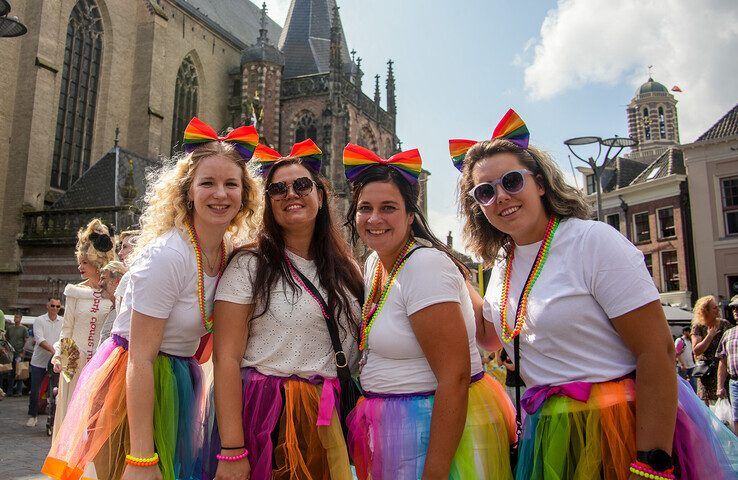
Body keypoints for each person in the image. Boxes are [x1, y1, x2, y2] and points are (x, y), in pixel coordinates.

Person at [455, 108, 738, 479]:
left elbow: (656, 349)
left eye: (512, 181)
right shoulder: (505, 263)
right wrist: (450, 272)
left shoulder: (591, 241)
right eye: (486, 191)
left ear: (540, 183)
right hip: (547, 435)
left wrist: (652, 459)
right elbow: (492, 337)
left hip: (614, 427)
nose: (502, 197)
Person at [42, 117, 261, 480]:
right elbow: (140, 358)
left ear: (245, 195)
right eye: (207, 182)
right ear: (187, 192)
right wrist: (141, 457)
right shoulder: (168, 256)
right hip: (132, 388)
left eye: (231, 184)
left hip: (178, 377)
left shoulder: (226, 250)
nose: (220, 194)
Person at [343, 144, 516, 479]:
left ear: (411, 215)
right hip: (397, 426)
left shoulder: (423, 265)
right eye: (365, 208)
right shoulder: (374, 263)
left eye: (388, 208)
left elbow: (455, 376)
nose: (374, 219)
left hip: (429, 427)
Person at [204, 140, 363, 480]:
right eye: (278, 189)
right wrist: (232, 449)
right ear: (268, 203)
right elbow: (226, 359)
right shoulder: (249, 264)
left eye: (302, 185)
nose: (291, 193)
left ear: (320, 197)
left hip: (329, 415)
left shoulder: (347, 269)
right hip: (268, 415)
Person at [51, 218, 115, 435]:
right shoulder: (74, 292)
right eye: (79, 262)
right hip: (73, 363)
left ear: (97, 263)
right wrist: (60, 355)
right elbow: (66, 328)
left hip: (101, 363)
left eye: (84, 262)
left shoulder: (115, 294)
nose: (79, 267)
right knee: (71, 417)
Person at [27, 298, 63, 427]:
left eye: (57, 306)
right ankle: (33, 415)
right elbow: (39, 339)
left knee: (56, 390)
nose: (54, 308)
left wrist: (58, 354)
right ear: (47, 306)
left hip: (55, 362)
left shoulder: (63, 322)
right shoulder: (39, 320)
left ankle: (54, 417)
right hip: (39, 362)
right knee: (35, 390)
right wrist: (54, 351)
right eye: (52, 305)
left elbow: (64, 339)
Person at [691, 295, 731, 405]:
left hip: (723, 371)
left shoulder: (724, 324)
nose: (717, 309)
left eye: (717, 307)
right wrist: (710, 336)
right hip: (706, 373)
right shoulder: (698, 327)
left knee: (726, 406)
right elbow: (696, 350)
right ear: (705, 310)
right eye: (714, 308)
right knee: (707, 410)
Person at [717, 295, 738, 433]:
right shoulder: (728, 334)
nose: (735, 310)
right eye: (733, 308)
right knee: (736, 418)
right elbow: (723, 362)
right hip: (735, 382)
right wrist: (720, 386)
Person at [98, 261, 128, 346]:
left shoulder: (124, 310)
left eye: (103, 279)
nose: (99, 283)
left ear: (117, 282)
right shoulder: (113, 308)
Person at [5, 310, 29, 396]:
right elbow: (6, 339)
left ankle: (19, 391)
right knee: (10, 372)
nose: (16, 319)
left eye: (17, 317)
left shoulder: (24, 329)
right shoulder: (10, 328)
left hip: (19, 353)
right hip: (11, 353)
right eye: (15, 317)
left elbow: (26, 341)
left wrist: (23, 352)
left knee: (20, 372)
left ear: (21, 318)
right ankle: (9, 391)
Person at [675, 326, 697, 392]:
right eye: (689, 332)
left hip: (691, 365)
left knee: (693, 385)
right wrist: (682, 364)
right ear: (685, 332)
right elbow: (677, 353)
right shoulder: (680, 341)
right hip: (683, 366)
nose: (690, 334)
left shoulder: (690, 341)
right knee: (683, 385)